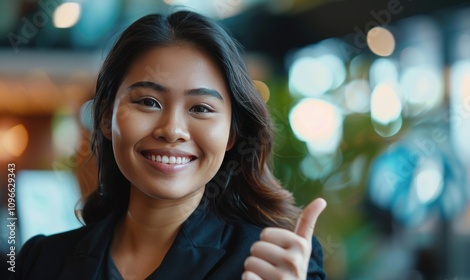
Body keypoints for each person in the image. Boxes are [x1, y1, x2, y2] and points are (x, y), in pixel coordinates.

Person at [14, 10, 327, 280]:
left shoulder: (278, 262)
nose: (172, 130)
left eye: (201, 108)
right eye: (149, 102)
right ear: (107, 117)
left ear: (232, 134)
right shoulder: (42, 259)